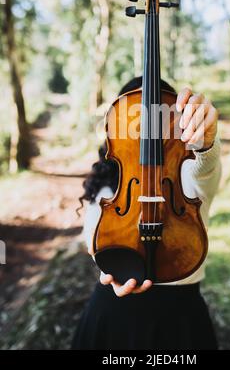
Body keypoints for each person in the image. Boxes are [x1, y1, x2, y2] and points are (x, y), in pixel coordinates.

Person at [72, 76, 221, 350]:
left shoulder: (188, 171)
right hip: (113, 312)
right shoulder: (106, 187)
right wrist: (109, 264)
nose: (148, 134)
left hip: (179, 316)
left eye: (160, 122)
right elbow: (96, 241)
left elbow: (206, 171)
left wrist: (206, 144)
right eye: (137, 123)